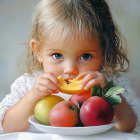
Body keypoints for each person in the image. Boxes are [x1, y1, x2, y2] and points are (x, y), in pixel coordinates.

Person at [0, 0, 140, 134]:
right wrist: (33, 96)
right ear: (37, 51)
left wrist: (110, 94)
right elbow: (8, 128)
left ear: (104, 52)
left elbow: (128, 127)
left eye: (85, 56)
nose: (70, 69)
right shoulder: (28, 84)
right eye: (57, 55)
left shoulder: (110, 85)